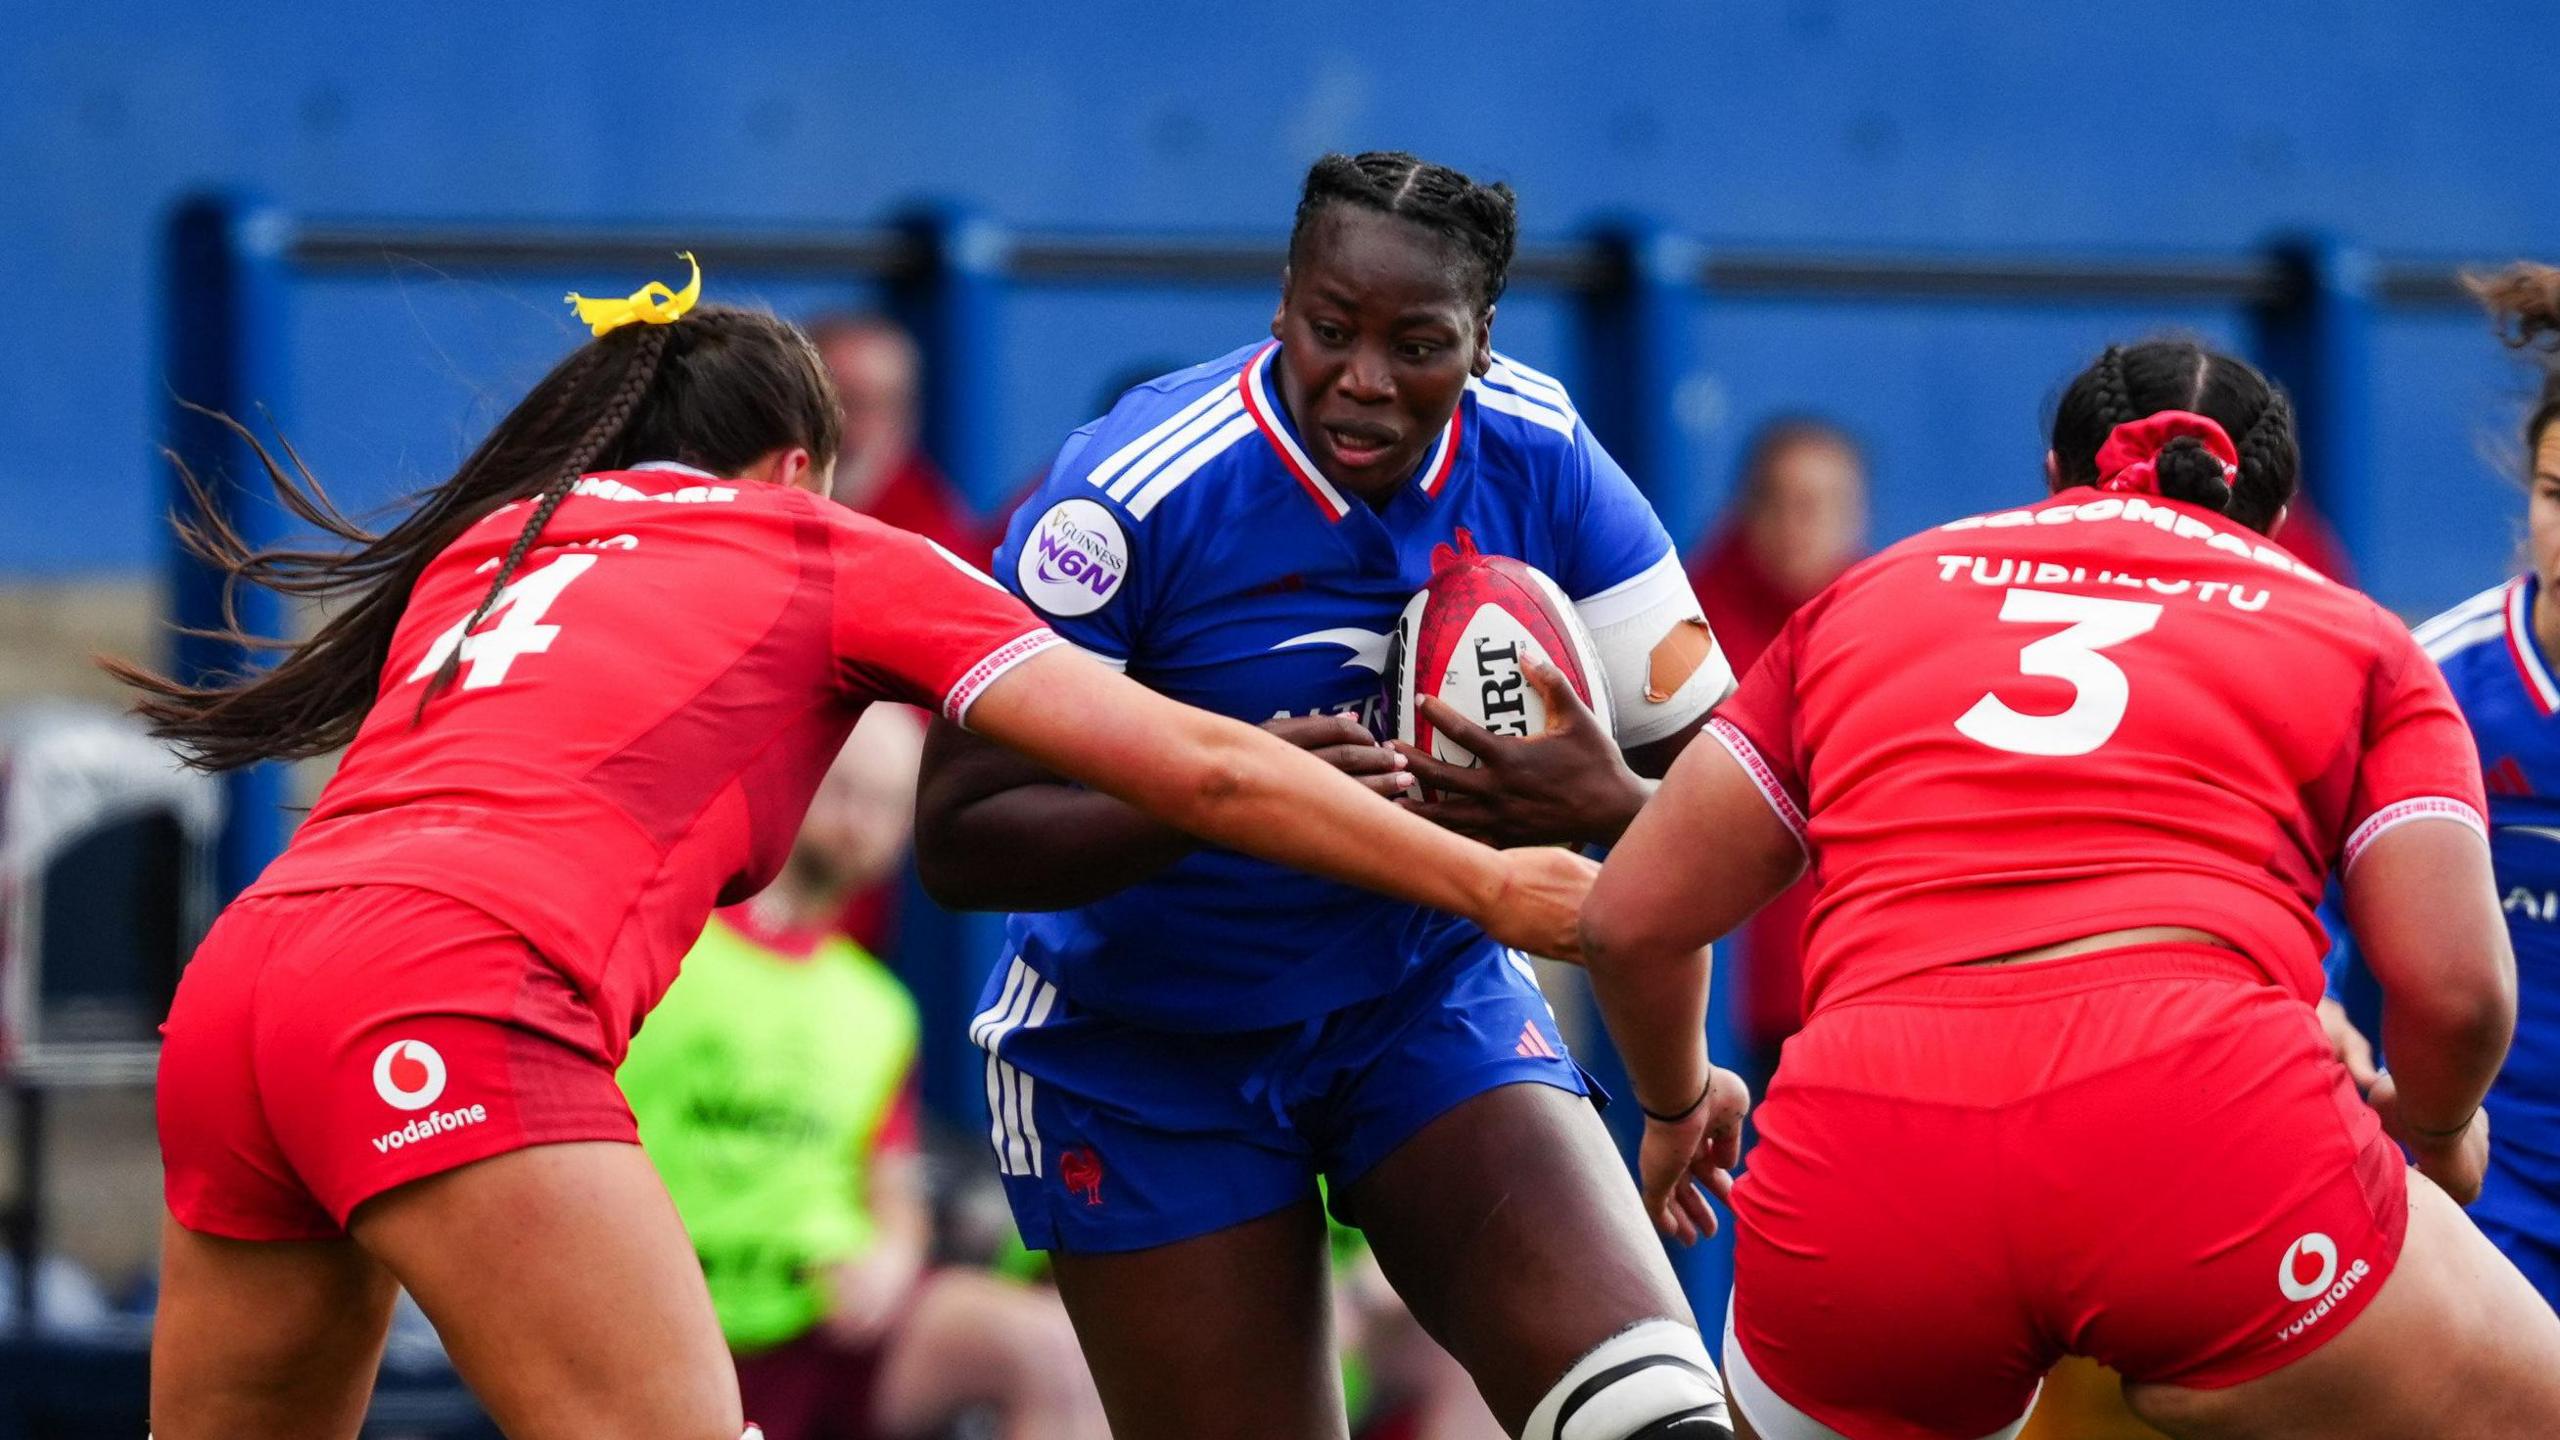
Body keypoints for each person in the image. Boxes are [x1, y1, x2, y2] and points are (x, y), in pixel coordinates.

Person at [117, 258, 1600, 1440]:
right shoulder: (814, 547)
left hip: (241, 996)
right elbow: (1206, 768)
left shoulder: (497, 548)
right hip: (446, 995)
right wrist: (1492, 881)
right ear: (794, 465)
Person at [1578, 336, 2560, 1440]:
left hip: (1876, 1153)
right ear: (2277, 518)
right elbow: (2459, 991)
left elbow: (1628, 923)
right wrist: (2438, 1138)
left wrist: (1674, 1105)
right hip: (2210, 1138)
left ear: (2054, 474)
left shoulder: (1869, 593)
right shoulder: (2363, 637)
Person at [915, 151, 1748, 1440]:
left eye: (1417, 345)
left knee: (1654, 1415)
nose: (1363, 378)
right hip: (1144, 1047)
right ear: (1282, 305)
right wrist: (1223, 790)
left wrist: (1611, 801)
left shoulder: (1540, 452)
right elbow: (960, 838)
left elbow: (1734, 790)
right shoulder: (1126, 498)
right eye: (1329, 328)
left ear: (1480, 341)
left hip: (1420, 1001)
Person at [620, 707, 1105, 1440]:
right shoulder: (664, 947)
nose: (859, 823)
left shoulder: (878, 1006)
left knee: (1054, 1352)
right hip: (655, 1319)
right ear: (791, 788)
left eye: (886, 805)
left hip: (820, 1324)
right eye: (844, 790)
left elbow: (891, 1181)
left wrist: (892, 1254)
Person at [2320, 262, 2560, 1312]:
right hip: (2487, 1180)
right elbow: (2308, 881)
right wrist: (2316, 998)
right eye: (2556, 497)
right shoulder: (2437, 685)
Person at [1685, 418, 1868, 1071]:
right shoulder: (1685, 621)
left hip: (1851, 974)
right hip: (1716, 982)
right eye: (1780, 502)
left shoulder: (1879, 619)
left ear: (1855, 517)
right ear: (1747, 509)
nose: (1798, 526)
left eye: (1819, 506)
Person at [807, 313, 992, 562]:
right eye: (818, 403)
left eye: (857, 404)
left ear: (904, 416)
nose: (838, 424)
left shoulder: (934, 550)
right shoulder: (762, 508)